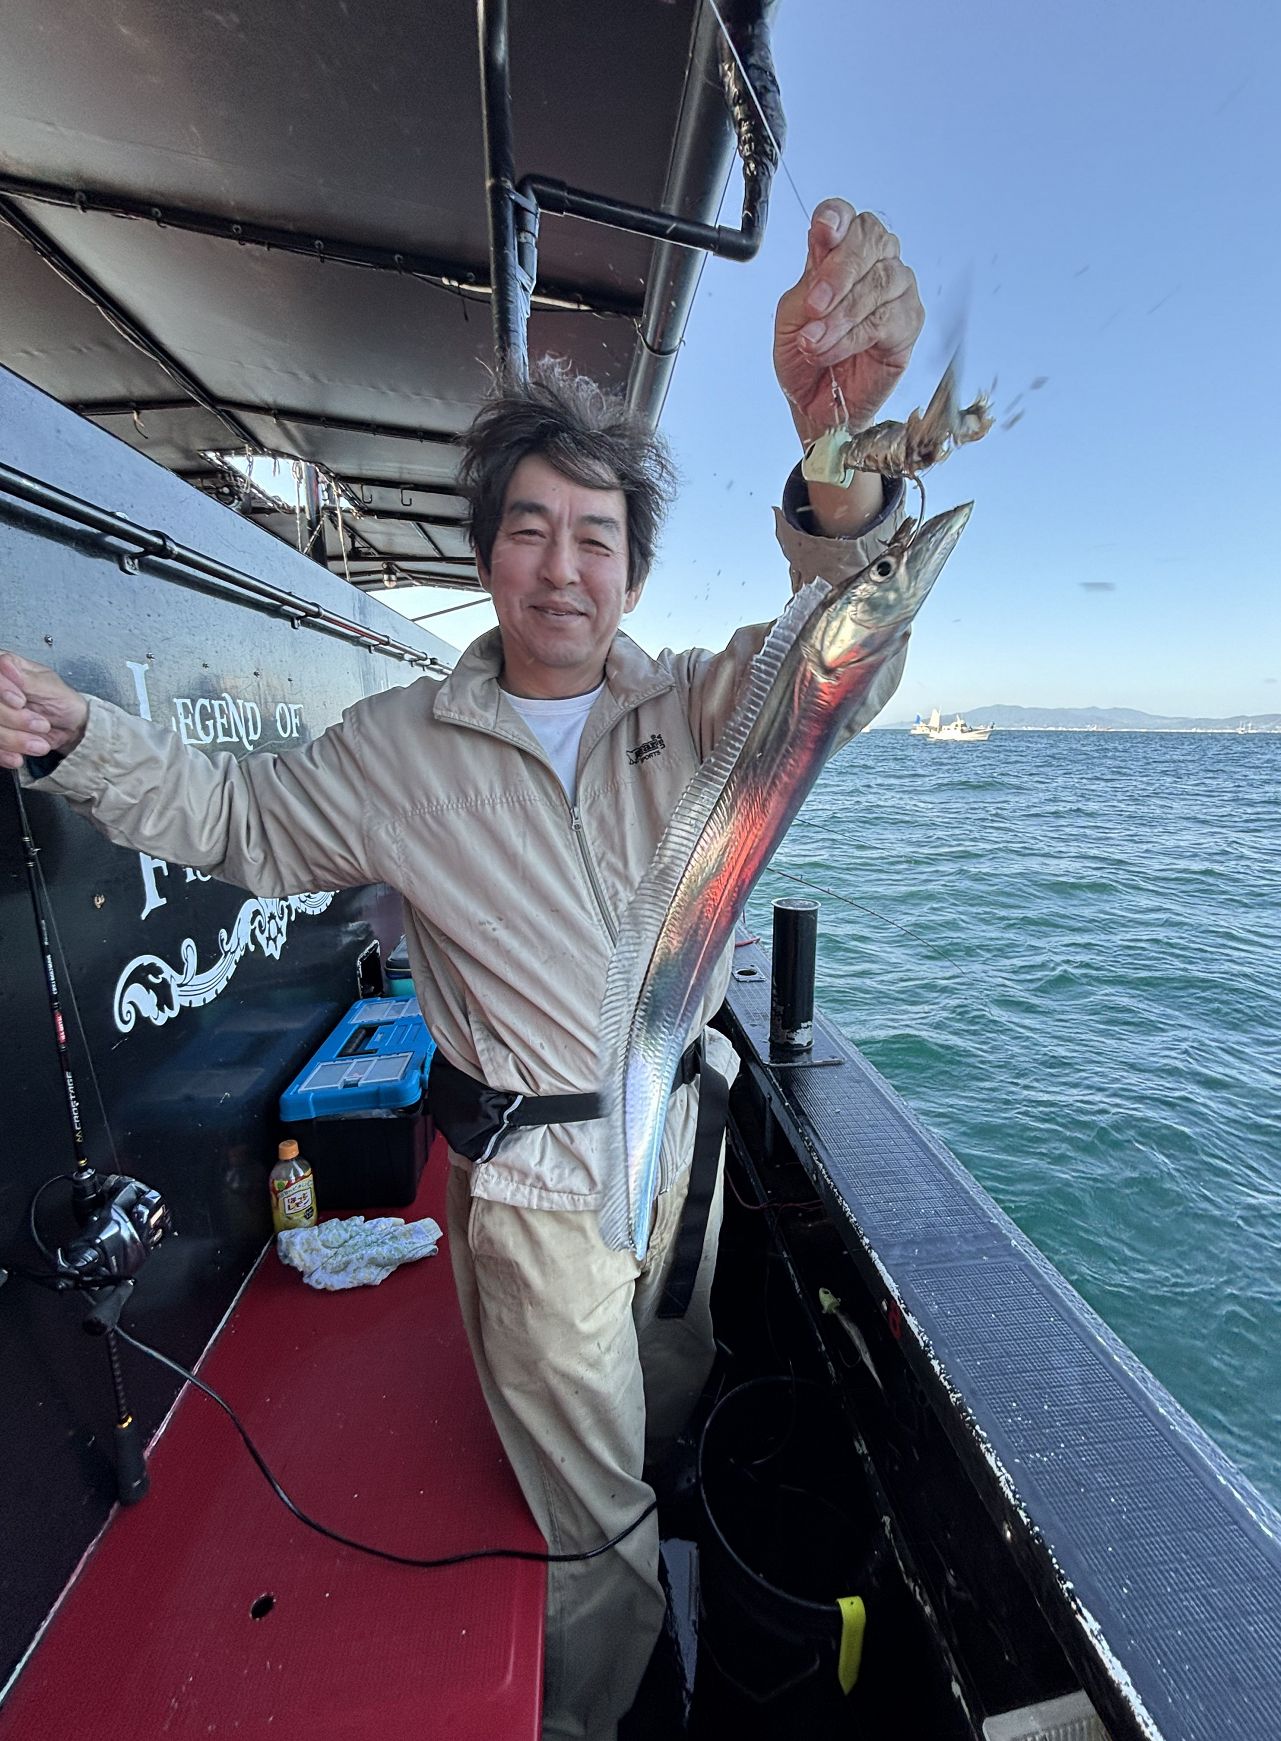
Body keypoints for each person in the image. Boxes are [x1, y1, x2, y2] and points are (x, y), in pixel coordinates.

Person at [0, 198, 925, 1739]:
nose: (564, 565)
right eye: (531, 528)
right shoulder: (396, 747)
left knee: (670, 1407)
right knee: (593, 1527)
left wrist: (838, 466)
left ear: (632, 573)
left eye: (597, 536)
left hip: (678, 1156)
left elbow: (843, 659)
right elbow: (234, 818)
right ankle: (604, 1716)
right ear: (487, 551)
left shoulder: (697, 711)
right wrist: (81, 733)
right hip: (535, 1203)